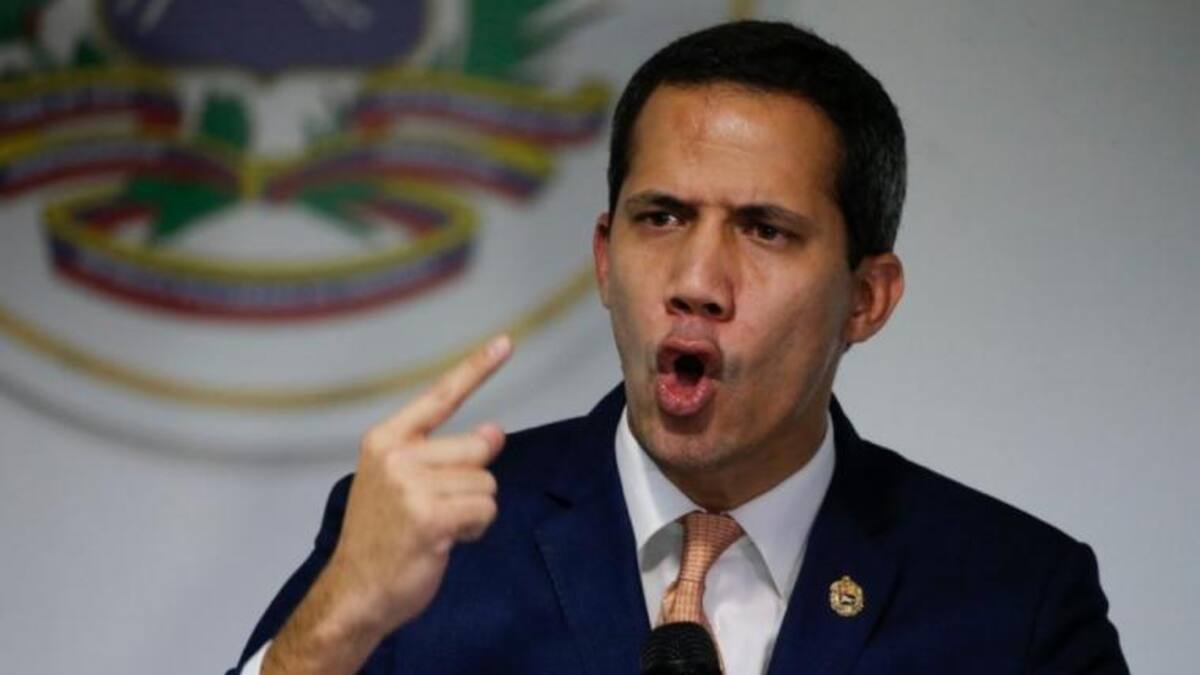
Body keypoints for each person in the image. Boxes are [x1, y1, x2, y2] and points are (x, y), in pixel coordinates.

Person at [229, 20, 1128, 675]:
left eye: (765, 230)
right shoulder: (432, 542)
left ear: (866, 298)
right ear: (604, 258)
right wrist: (334, 628)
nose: (697, 280)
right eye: (660, 218)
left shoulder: (1016, 598)